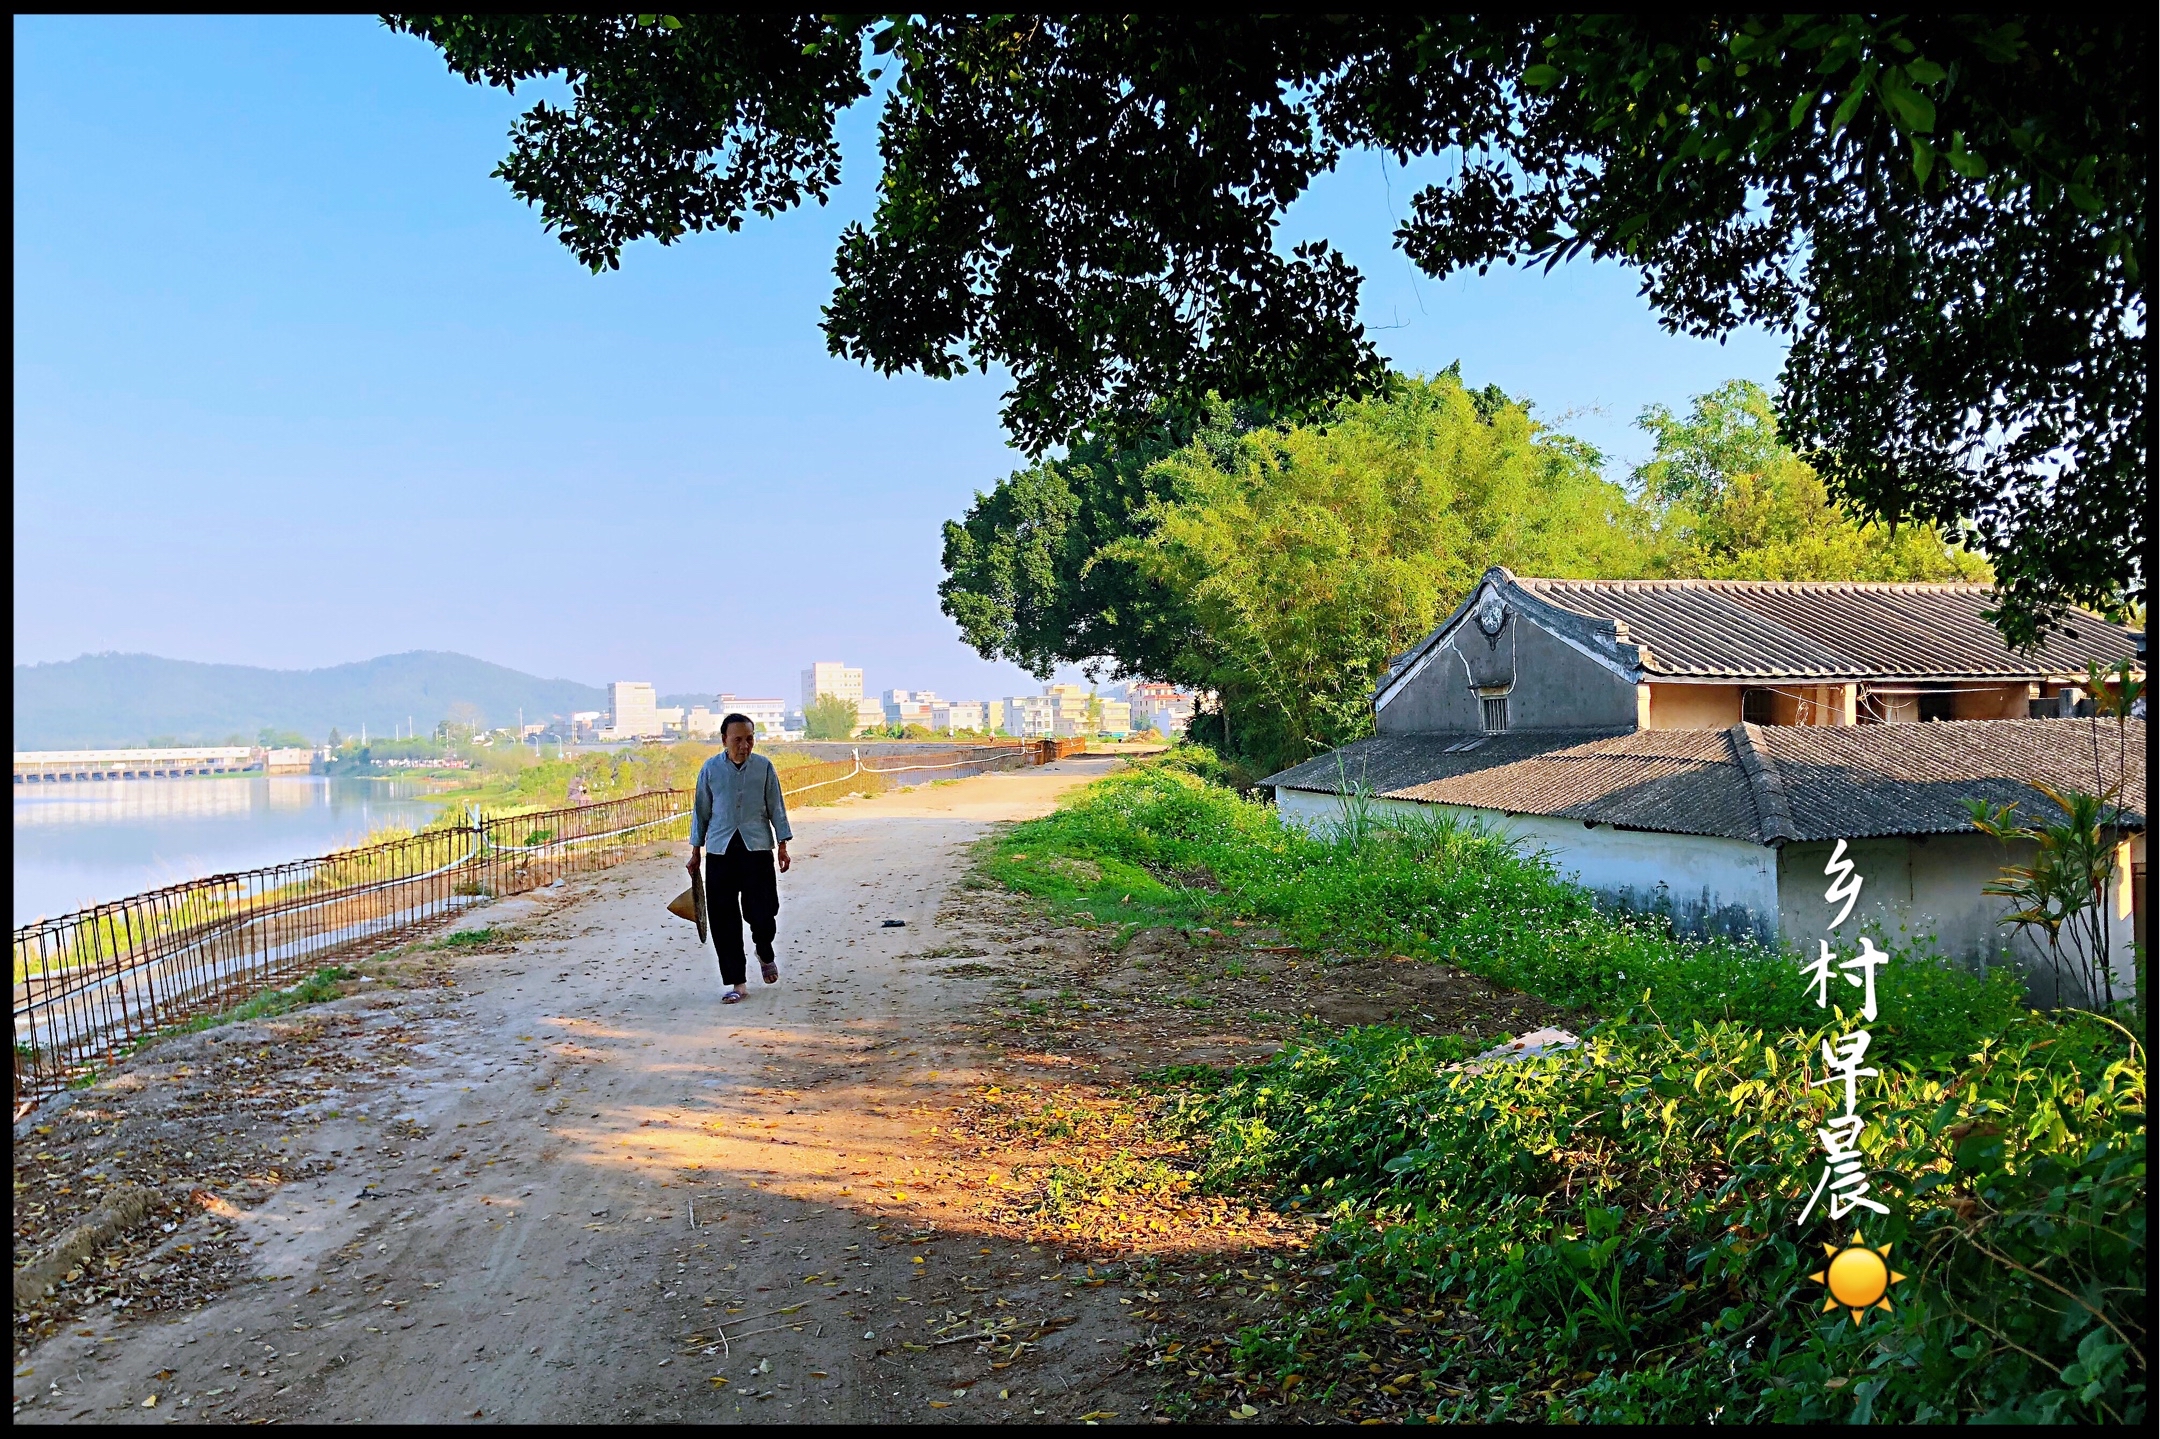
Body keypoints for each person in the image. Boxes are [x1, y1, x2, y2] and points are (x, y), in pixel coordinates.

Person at [687, 714, 793, 1003]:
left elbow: (777, 807)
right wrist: (695, 852)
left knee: (763, 910)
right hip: (720, 851)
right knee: (723, 919)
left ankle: (764, 948)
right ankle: (737, 983)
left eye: (749, 739)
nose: (744, 745)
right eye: (738, 740)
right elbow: (701, 812)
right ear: (724, 740)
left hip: (757, 847)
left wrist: (783, 845)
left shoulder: (764, 768)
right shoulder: (710, 770)